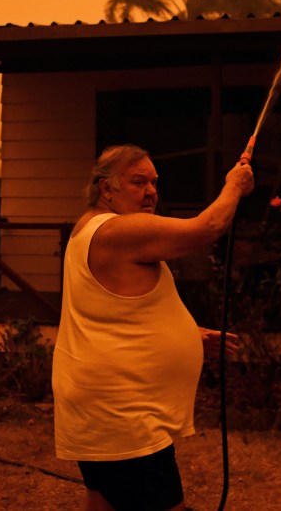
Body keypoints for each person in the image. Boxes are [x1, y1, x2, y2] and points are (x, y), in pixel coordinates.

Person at [52, 144, 254, 511]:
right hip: (124, 417)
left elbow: (109, 309)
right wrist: (235, 186)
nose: (151, 191)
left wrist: (182, 336)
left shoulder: (90, 229)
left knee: (103, 502)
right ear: (106, 189)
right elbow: (206, 228)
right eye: (138, 181)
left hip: (102, 410)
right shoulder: (116, 231)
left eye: (154, 182)